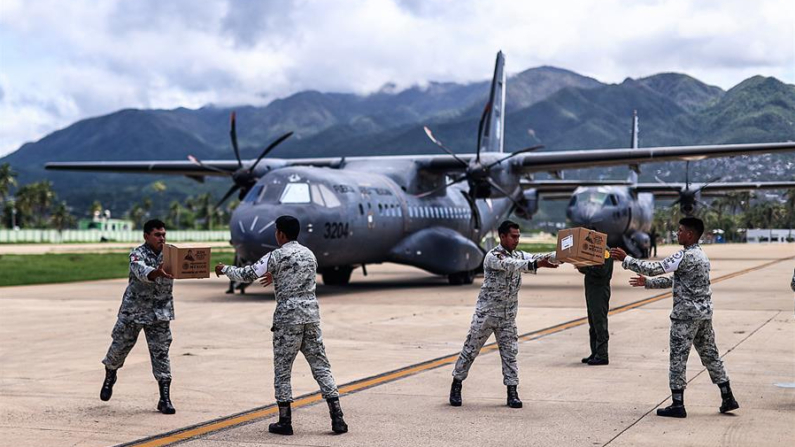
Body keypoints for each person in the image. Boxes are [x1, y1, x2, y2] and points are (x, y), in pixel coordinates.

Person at [215, 215, 347, 435]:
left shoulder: (275, 255)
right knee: (321, 366)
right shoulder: (309, 254)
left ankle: (285, 422)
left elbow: (246, 275)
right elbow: (298, 275)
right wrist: (276, 275)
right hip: (311, 316)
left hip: (288, 318)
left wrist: (225, 269)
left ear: (280, 234)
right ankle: (338, 418)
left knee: (283, 371)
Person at [610, 217, 739, 418]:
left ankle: (677, 404)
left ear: (690, 234)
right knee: (711, 355)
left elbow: (654, 268)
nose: (677, 234)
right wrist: (649, 284)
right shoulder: (702, 256)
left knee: (678, 358)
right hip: (703, 315)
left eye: (680, 231)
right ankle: (727, 396)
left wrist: (626, 259)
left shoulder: (683, 255)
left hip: (685, 317)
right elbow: (678, 280)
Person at [449, 220, 559, 408]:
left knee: (510, 355)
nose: (517, 240)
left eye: (518, 236)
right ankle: (456, 384)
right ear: (502, 237)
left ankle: (512, 392)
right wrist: (536, 265)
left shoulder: (519, 254)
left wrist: (563, 255)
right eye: (513, 236)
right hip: (486, 316)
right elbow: (513, 265)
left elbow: (538, 256)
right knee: (470, 351)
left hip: (507, 318)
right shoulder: (493, 256)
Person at [100, 219, 176, 414]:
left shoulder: (171, 255)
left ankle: (164, 398)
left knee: (161, 354)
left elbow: (187, 266)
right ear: (146, 236)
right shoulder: (137, 254)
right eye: (157, 235)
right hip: (134, 311)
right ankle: (110, 374)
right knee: (118, 349)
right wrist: (156, 272)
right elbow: (140, 271)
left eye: (163, 234)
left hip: (159, 313)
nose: (162, 238)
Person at [578, 251, 613, 365]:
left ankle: (602, 355)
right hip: (592, 290)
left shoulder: (605, 252)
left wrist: (585, 267)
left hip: (599, 291)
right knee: (593, 324)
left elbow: (602, 271)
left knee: (599, 323)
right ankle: (595, 352)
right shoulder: (593, 251)